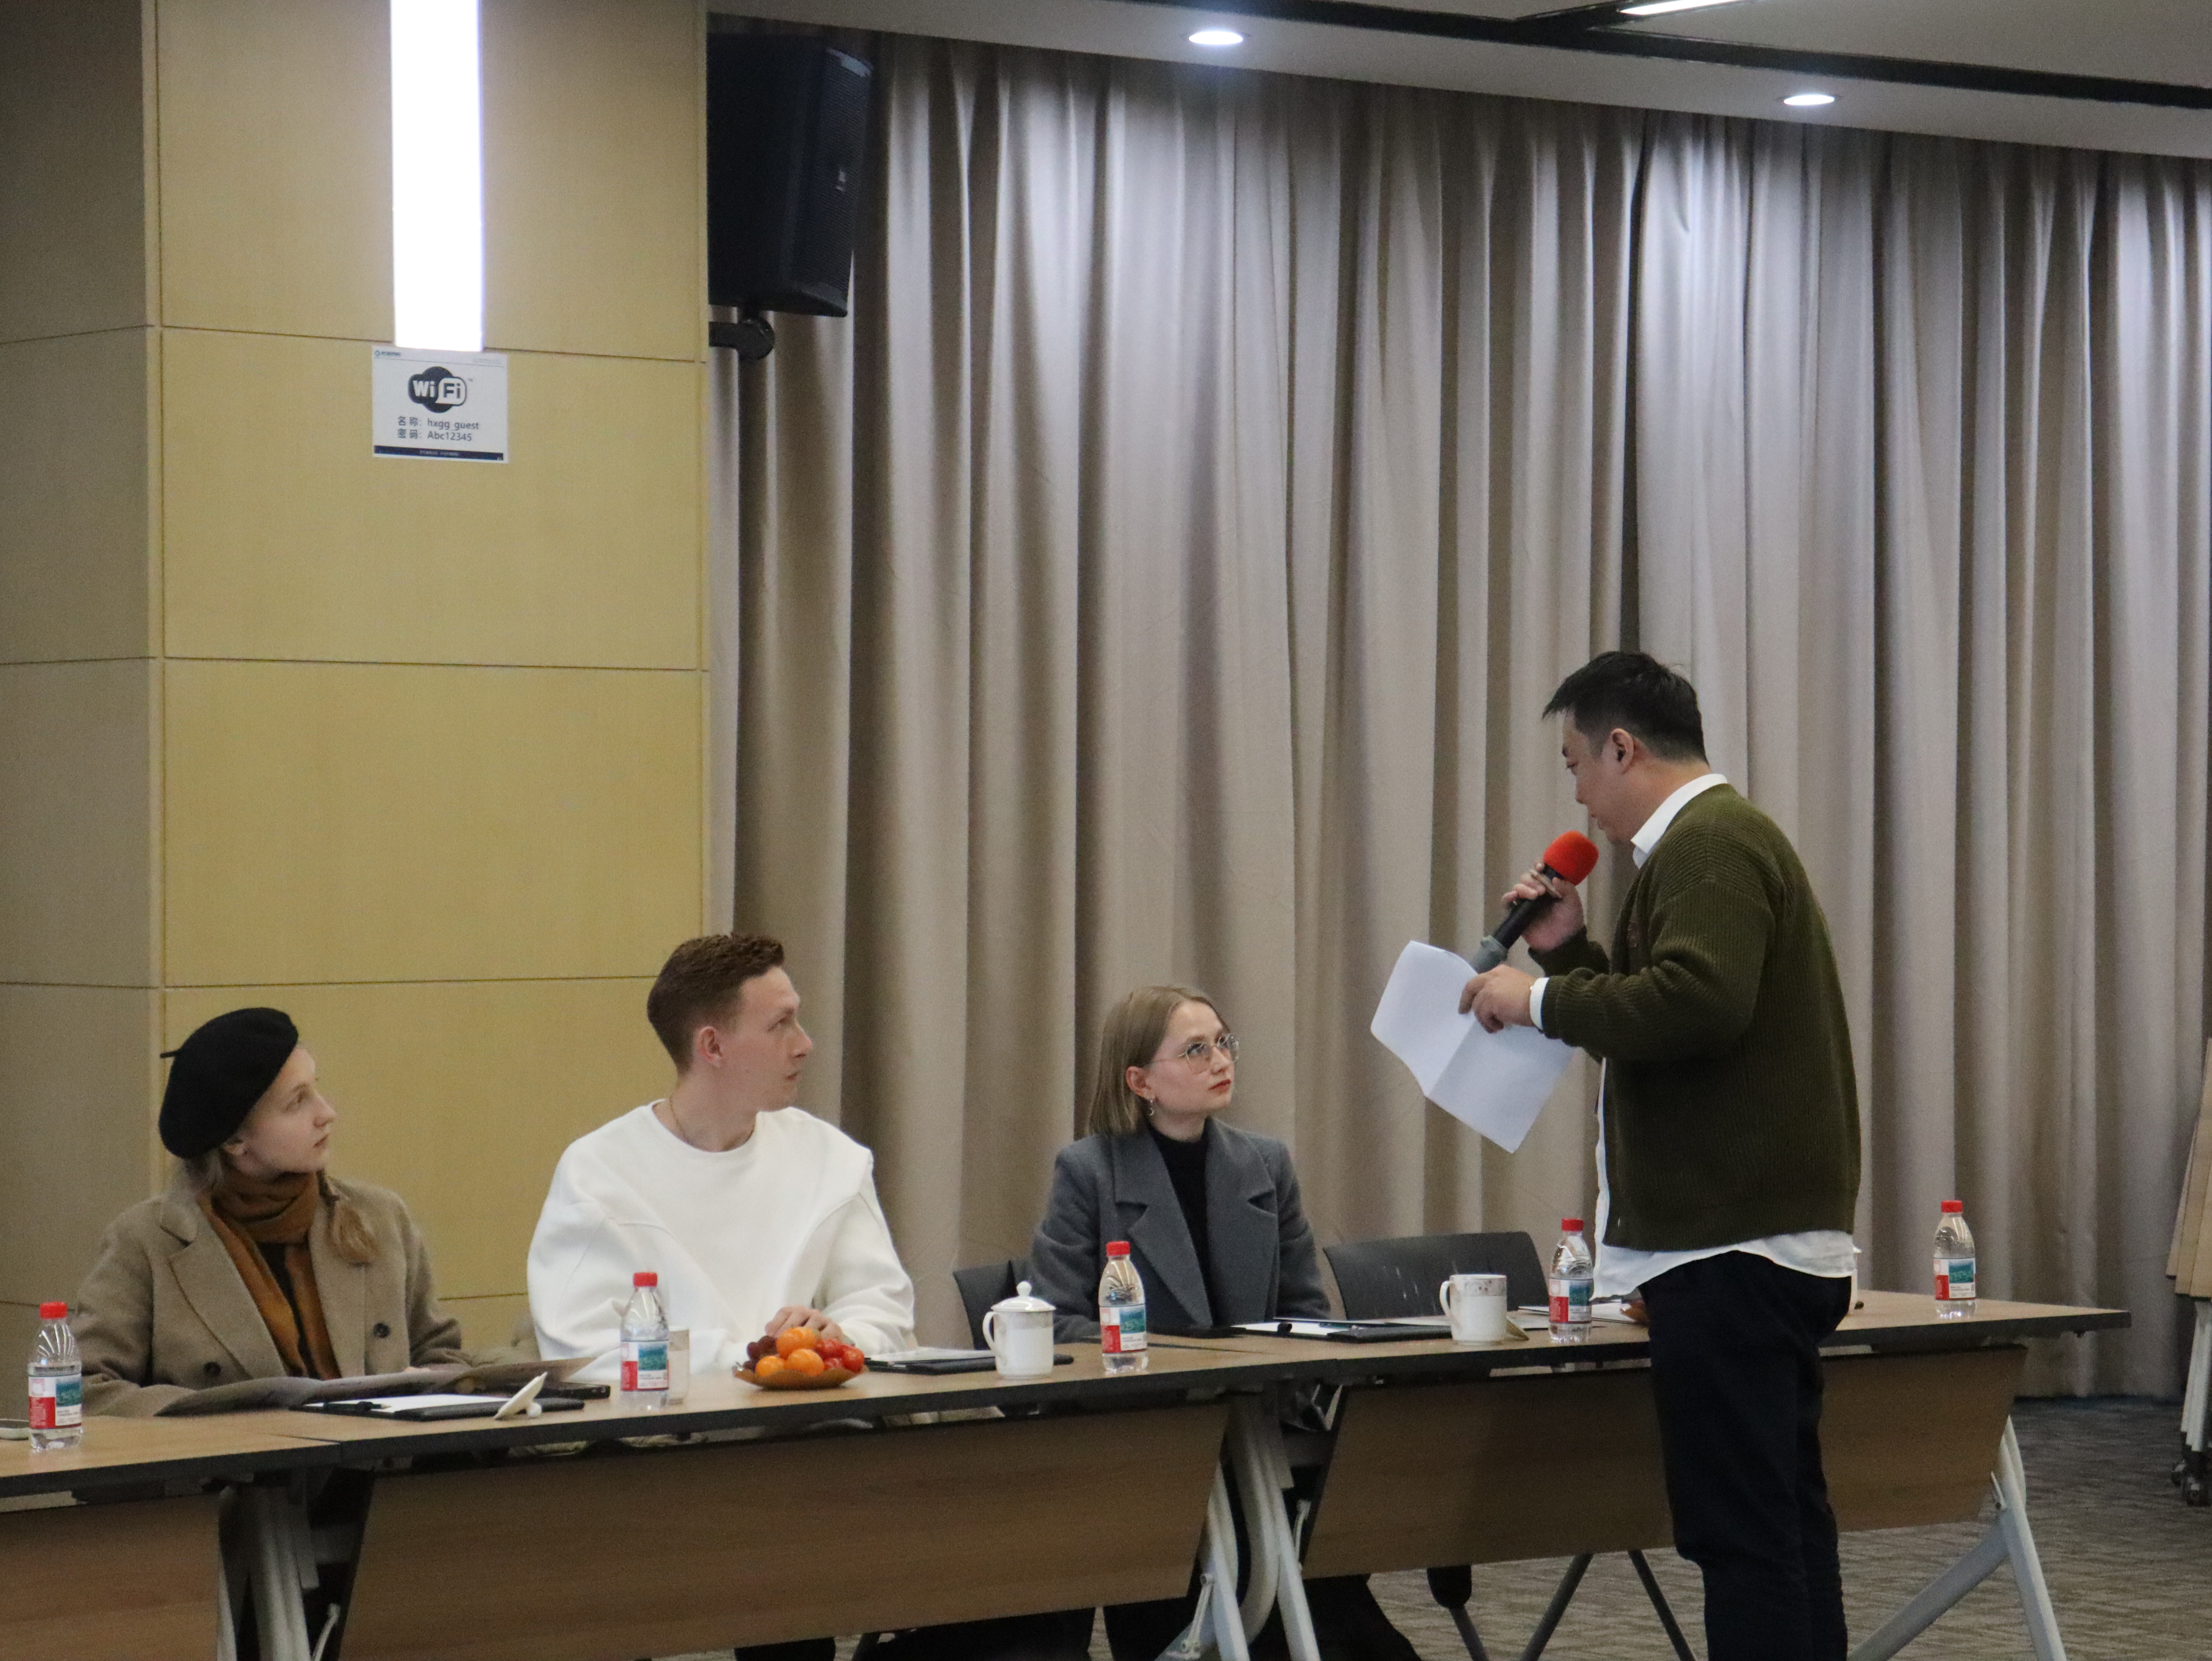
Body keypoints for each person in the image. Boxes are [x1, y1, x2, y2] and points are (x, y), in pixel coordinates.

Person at [1461, 651, 1862, 1661]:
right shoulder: (1713, 843)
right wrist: (1565, 949)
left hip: (1732, 1248)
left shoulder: (1707, 844)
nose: (1578, 796)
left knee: (1744, 1535)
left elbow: (1698, 1003)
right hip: (1756, 1244)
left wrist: (1535, 997)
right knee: (1782, 1521)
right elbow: (1670, 1024)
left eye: (1575, 765)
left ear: (1622, 747)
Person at [1025, 985, 1419, 1661]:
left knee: (1332, 1614)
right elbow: (1057, 1325)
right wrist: (1182, 1365)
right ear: (1140, 1082)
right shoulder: (1087, 1171)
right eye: (1196, 1049)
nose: (1220, 1060)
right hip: (1147, 1444)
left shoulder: (1265, 1164)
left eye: (1223, 1043)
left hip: (1259, 1434)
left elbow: (1305, 1312)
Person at [75, 1007, 469, 1416]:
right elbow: (84, 1388)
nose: (326, 1114)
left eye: (316, 1089)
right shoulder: (147, 1241)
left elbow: (443, 1356)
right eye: (297, 1102)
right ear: (234, 1140)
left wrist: (424, 1386)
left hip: (379, 1454)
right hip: (237, 1459)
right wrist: (207, 1417)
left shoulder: (379, 1217)